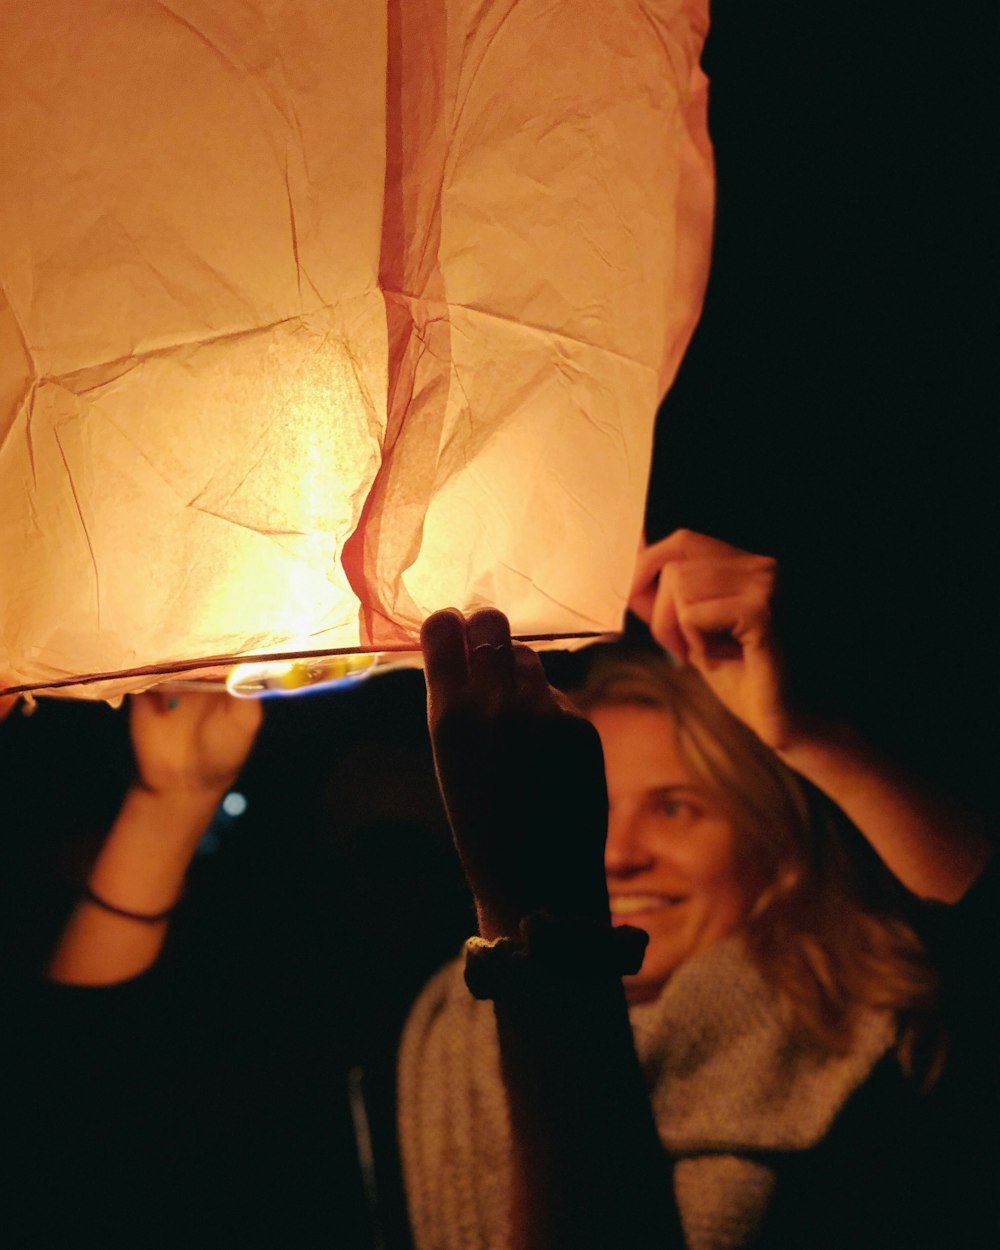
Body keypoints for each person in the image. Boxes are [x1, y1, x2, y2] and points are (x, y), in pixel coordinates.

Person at [36, 531, 995, 1249]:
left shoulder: (889, 1064)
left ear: (767, 840)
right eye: (591, 803)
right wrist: (172, 804)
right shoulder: (424, 1039)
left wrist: (813, 740)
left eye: (675, 809)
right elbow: (84, 1127)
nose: (612, 851)